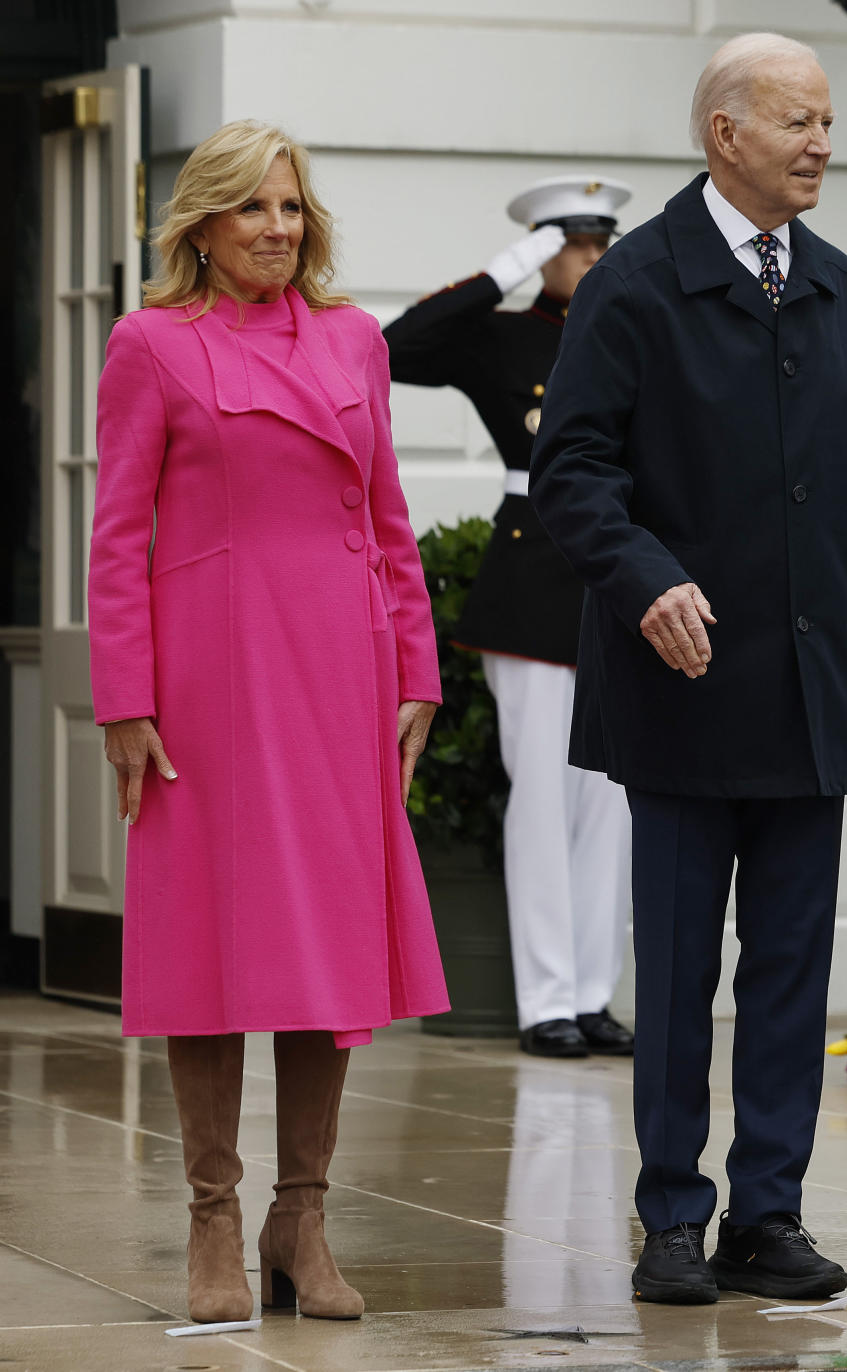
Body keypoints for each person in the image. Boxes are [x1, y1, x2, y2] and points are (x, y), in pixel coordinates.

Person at [530, 32, 847, 1304]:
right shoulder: (638, 285)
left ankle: (769, 1213)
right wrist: (647, 579)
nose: (822, 142)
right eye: (798, 121)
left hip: (813, 697)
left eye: (827, 120)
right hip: (684, 692)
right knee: (683, 963)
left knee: (793, 966)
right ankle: (669, 1221)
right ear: (725, 134)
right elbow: (573, 473)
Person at [88, 121, 449, 1324]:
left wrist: (417, 668)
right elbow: (116, 535)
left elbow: (387, 516)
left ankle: (303, 1219)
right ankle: (213, 1219)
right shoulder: (150, 344)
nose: (279, 229)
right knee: (206, 945)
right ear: (202, 223)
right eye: (254, 209)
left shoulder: (353, 341)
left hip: (339, 672)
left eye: (292, 208)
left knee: (326, 945)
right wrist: (125, 699)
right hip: (210, 682)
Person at [385, 177, 635, 1059]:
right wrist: (511, 267)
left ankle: (595, 994)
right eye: (576, 245)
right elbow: (396, 347)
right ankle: (546, 1001)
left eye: (605, 245)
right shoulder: (500, 337)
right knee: (541, 794)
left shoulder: (634, 332)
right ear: (543, 250)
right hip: (533, 582)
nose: (595, 261)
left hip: (620, 586)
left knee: (611, 802)